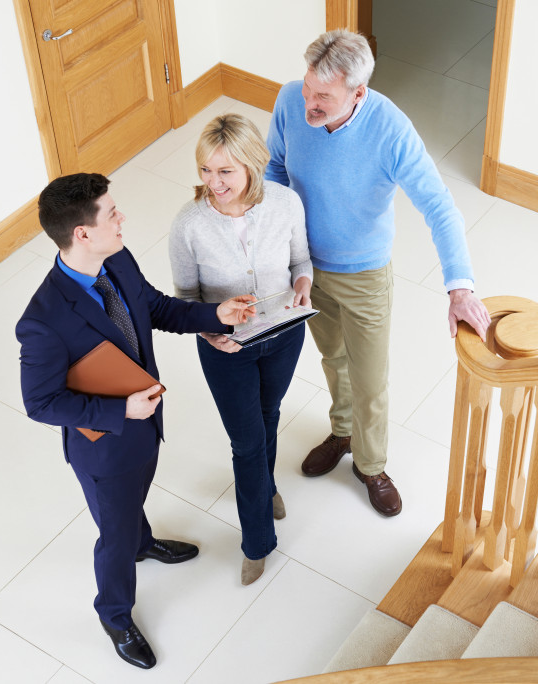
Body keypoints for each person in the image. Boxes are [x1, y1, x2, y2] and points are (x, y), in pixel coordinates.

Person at [16, 173, 256, 670]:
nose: (122, 217)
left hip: (145, 427)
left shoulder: (117, 259)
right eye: (111, 213)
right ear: (81, 233)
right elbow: (40, 403)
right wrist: (120, 411)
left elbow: (155, 308)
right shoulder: (41, 320)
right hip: (105, 448)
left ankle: (144, 543)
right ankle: (115, 614)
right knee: (115, 535)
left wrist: (217, 315)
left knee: (132, 509)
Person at [265, 29, 491, 517]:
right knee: (332, 358)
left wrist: (459, 287)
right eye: (308, 89)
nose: (309, 103)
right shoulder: (289, 100)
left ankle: (371, 465)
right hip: (305, 267)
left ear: (358, 93)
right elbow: (275, 170)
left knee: (370, 379)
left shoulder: (390, 130)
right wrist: (272, 247)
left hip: (364, 274)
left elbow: (439, 207)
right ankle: (341, 431)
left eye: (323, 96)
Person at [169, 114, 312, 585]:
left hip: (283, 334)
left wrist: (304, 284)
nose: (213, 183)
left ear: (252, 164)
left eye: (225, 172)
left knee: (269, 413)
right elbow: (187, 299)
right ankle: (256, 542)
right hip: (225, 347)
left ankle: (267, 485)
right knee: (246, 442)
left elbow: (300, 261)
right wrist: (210, 331)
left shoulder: (286, 204)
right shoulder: (189, 224)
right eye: (206, 171)